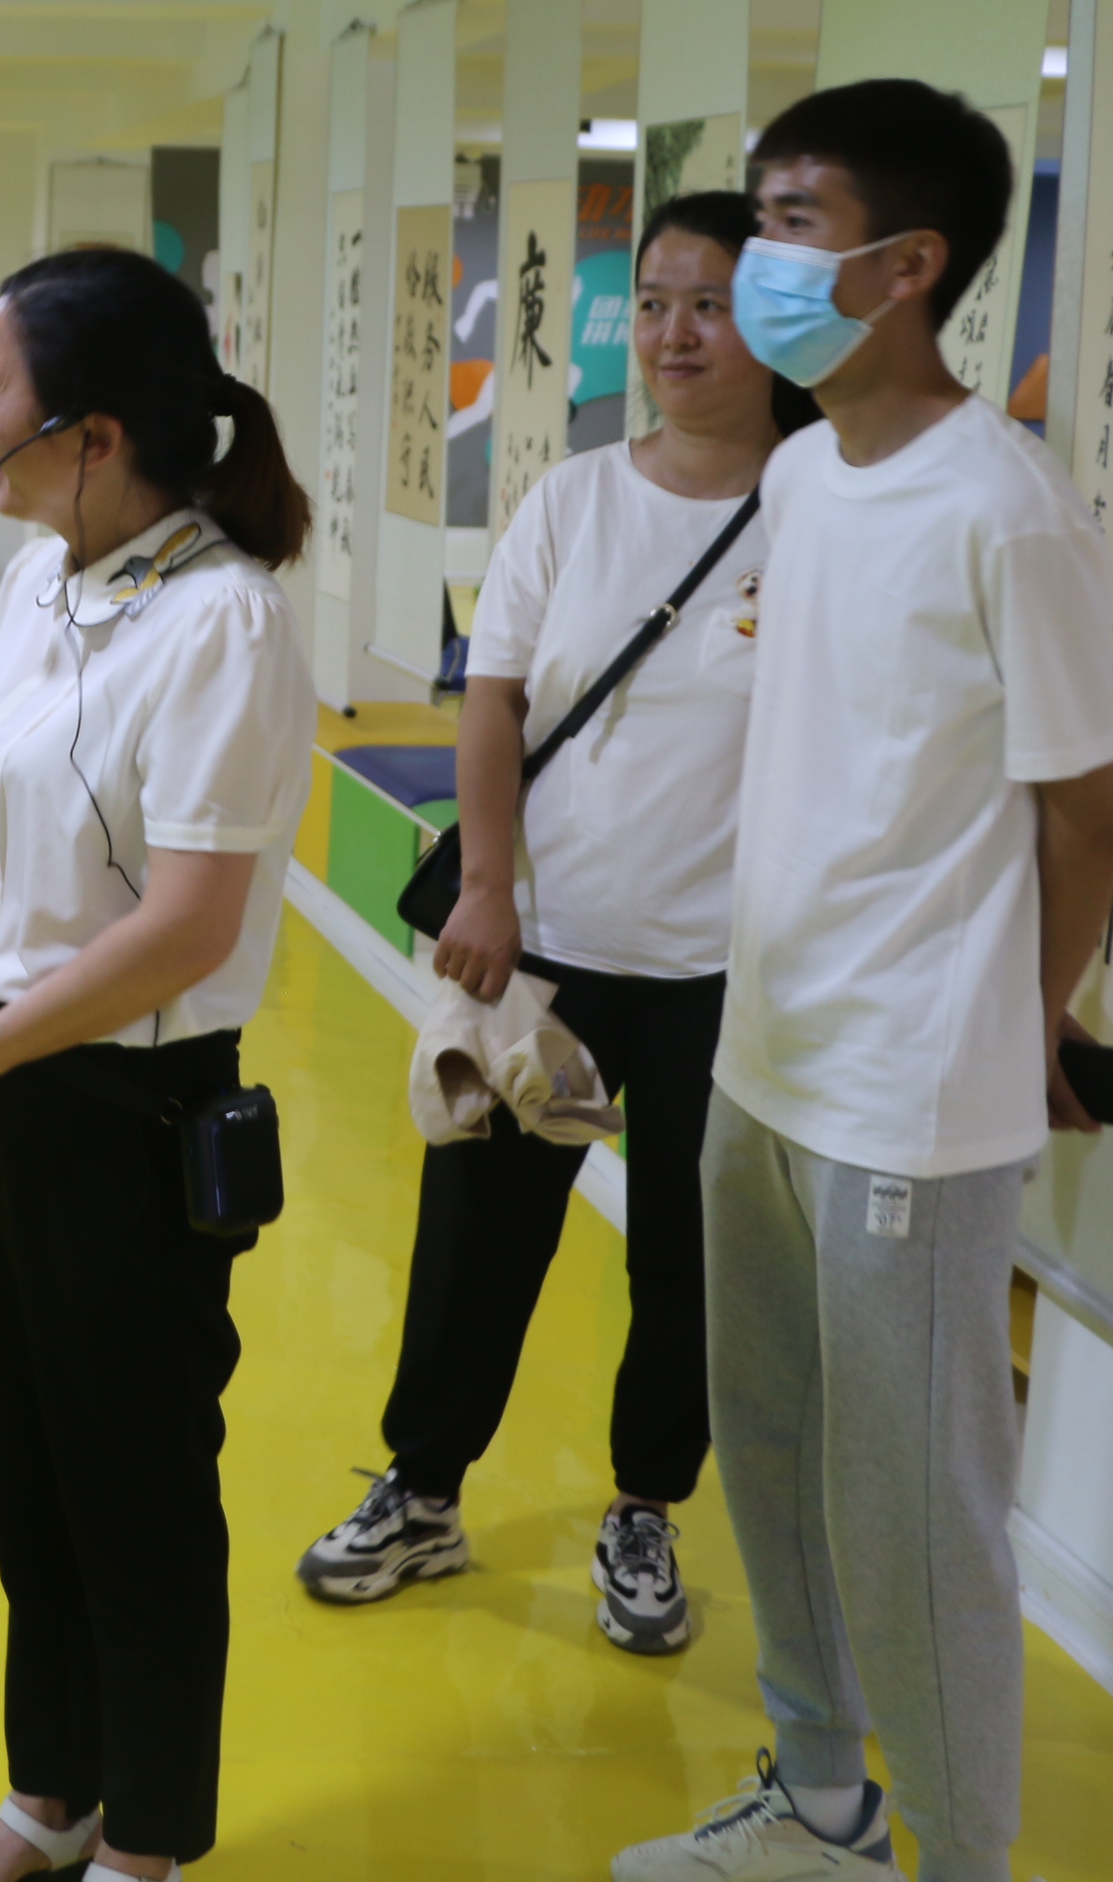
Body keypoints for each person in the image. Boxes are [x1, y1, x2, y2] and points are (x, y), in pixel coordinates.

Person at [616, 82, 1113, 1882]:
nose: (751, 260)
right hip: (765, 1053)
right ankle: (824, 1804)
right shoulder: (805, 471)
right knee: (770, 1448)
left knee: (917, 1518)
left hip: (909, 1097)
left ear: (907, 265)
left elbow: (1089, 817)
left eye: (789, 221)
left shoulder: (1002, 507)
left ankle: (962, 1861)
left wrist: (1024, 1026)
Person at [294, 191, 809, 1654]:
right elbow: (496, 699)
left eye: (709, 305)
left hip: (730, 973)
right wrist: (487, 887)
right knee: (482, 1232)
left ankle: (646, 1506)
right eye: (653, 302)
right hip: (554, 956)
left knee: (690, 1260)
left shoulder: (821, 513)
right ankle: (423, 1488)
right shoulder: (573, 502)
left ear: (772, 324)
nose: (673, 333)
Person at [0, 248, 316, 1882]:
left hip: (124, 1101)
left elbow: (188, 926)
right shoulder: (37, 580)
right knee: (32, 1464)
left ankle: (151, 1840)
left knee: (135, 1489)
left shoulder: (225, 623)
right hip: (2, 1079)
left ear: (94, 433)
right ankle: (51, 1795)